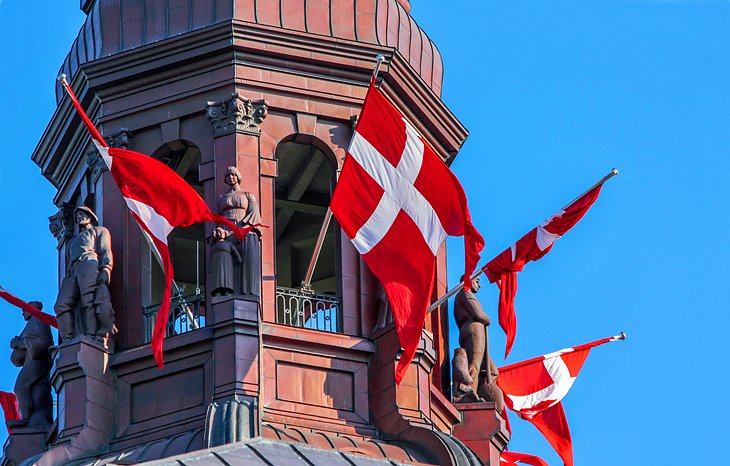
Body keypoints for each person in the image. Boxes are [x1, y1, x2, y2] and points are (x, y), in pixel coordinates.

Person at [53, 206, 114, 342]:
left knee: (89, 301)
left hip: (89, 263)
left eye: (82, 214)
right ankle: (67, 339)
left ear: (90, 216)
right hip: (73, 271)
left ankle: (92, 335)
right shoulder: (72, 242)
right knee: (61, 305)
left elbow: (105, 250)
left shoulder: (99, 231)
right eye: (77, 216)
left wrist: (106, 268)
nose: (79, 217)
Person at [216, 166, 262, 296]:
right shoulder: (221, 198)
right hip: (226, 229)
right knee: (227, 260)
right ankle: (227, 291)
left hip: (243, 229)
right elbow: (215, 217)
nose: (231, 177)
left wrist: (244, 226)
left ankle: (247, 291)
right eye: (228, 175)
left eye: (233, 174)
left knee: (246, 259)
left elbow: (254, 214)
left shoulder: (247, 195)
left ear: (238, 176)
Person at [8, 301, 53, 429]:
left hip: (38, 362)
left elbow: (42, 342)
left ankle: (26, 418)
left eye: (24, 309)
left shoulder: (39, 320)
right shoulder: (33, 322)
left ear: (32, 309)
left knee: (21, 387)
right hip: (32, 361)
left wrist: (19, 343)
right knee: (33, 390)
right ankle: (29, 418)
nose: (22, 313)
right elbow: (18, 358)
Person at [453, 276, 499, 399]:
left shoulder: (465, 293)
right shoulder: (465, 292)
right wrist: (487, 318)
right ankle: (469, 391)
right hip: (474, 328)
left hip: (476, 329)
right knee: (474, 364)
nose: (479, 285)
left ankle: (479, 391)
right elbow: (478, 314)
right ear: (469, 280)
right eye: (477, 281)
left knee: (492, 371)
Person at [209, 227, 242, 297]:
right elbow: (210, 257)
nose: (220, 234)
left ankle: (227, 290)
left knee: (227, 275)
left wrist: (239, 258)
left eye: (222, 232)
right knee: (218, 276)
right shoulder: (214, 246)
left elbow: (235, 251)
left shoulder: (228, 243)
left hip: (227, 260)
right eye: (218, 232)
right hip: (216, 261)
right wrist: (209, 267)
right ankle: (217, 291)